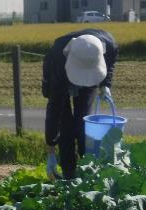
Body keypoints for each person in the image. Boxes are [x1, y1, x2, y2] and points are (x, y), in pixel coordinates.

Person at [42, 29, 119, 180]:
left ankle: (87, 171)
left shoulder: (109, 45)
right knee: (65, 126)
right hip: (59, 74)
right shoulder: (57, 60)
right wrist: (51, 150)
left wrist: (105, 84)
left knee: (83, 123)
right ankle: (68, 173)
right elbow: (54, 112)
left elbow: (109, 64)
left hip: (92, 67)